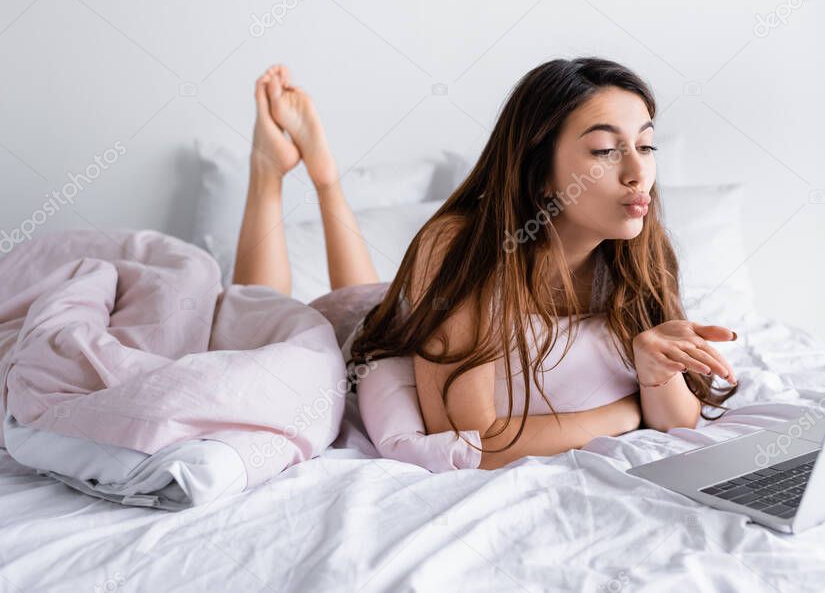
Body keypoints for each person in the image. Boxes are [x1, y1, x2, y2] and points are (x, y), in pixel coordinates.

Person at [233, 58, 740, 471]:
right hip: (353, 326)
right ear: (539, 173)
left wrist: (656, 375)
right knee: (257, 309)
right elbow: (470, 441)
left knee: (377, 292)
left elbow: (680, 423)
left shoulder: (641, 250)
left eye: (646, 146)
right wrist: (627, 412)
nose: (638, 173)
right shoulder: (460, 245)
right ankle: (271, 169)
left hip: (410, 308)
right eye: (606, 150)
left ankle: (326, 180)